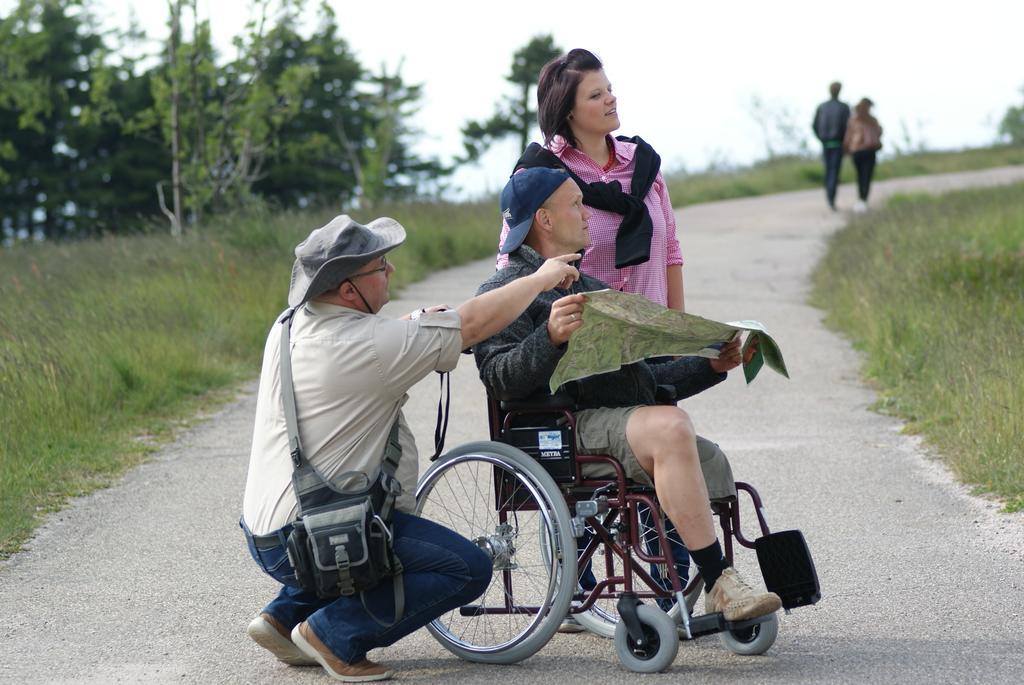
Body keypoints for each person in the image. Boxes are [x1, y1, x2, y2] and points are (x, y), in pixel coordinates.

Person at [240, 214, 580, 681]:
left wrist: (409, 326)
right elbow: (475, 324)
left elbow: (363, 348)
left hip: (269, 533)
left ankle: (282, 617)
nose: (391, 272)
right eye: (381, 266)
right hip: (317, 538)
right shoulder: (373, 346)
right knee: (468, 568)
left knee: (368, 528)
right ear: (346, 291)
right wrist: (539, 278)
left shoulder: (290, 323)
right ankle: (336, 634)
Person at [475, 168, 783, 625]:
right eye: (576, 204)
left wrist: (711, 364)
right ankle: (720, 581)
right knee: (670, 426)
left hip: (617, 422)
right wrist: (550, 339)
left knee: (699, 448)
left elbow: (647, 378)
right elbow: (498, 378)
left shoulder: (589, 288)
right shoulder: (504, 291)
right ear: (543, 218)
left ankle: (707, 586)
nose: (587, 215)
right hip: (559, 430)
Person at [494, 48, 702, 624]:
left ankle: (674, 579)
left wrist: (683, 332)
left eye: (610, 89)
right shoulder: (544, 175)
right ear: (567, 110)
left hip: (648, 327)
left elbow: (672, 250)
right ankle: (580, 578)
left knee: (665, 439)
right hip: (585, 340)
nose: (611, 99)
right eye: (596, 94)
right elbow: (516, 265)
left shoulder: (643, 163)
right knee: (607, 464)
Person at [812, 81, 851, 210]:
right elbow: (848, 127)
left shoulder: (822, 107)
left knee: (828, 171)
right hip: (837, 144)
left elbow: (814, 126)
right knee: (834, 171)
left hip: (825, 144)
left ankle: (829, 197)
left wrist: (821, 139)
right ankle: (831, 199)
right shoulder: (844, 107)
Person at [844, 98, 883, 212]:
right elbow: (849, 136)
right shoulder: (862, 120)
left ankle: (862, 199)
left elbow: (848, 136)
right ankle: (862, 199)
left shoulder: (867, 120)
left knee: (864, 176)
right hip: (861, 151)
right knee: (863, 176)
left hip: (864, 151)